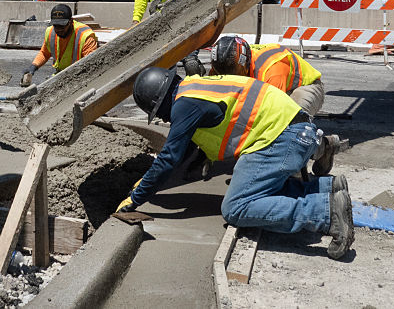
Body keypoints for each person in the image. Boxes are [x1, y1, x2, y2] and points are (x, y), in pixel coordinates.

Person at [117, 68, 354, 260]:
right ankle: (326, 189)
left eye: (158, 113)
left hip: (282, 138)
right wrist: (199, 158)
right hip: (297, 131)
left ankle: (325, 213)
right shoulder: (197, 87)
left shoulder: (184, 104)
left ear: (160, 100)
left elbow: (168, 158)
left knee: (237, 207)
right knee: (259, 187)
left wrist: (135, 198)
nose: (163, 118)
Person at [209, 36, 325, 117]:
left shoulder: (271, 71)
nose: (232, 80)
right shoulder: (223, 64)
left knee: (290, 121)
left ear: (247, 62)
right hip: (270, 87)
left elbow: (272, 111)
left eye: (236, 75)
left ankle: (321, 146)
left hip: (305, 87)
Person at [20, 4, 98, 87]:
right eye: (55, 25)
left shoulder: (85, 35)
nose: (58, 29)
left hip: (80, 77)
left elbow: (91, 64)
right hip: (60, 75)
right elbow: (44, 53)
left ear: (71, 21)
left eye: (62, 26)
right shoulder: (50, 32)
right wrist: (33, 67)